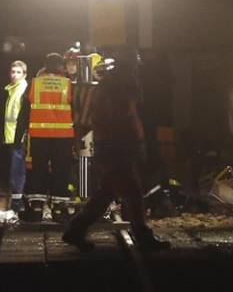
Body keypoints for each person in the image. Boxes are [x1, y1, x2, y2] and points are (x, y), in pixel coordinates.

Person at [62, 49, 170, 251]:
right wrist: (134, 142)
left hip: (115, 145)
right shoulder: (118, 88)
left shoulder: (116, 85)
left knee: (107, 192)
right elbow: (120, 118)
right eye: (135, 65)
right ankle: (143, 237)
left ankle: (76, 230)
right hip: (117, 147)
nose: (137, 69)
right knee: (132, 193)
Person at [18, 52, 75, 219]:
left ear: (45, 66)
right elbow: (76, 111)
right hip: (63, 136)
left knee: (38, 170)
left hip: (39, 135)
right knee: (61, 170)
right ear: (60, 66)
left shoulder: (35, 83)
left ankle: (36, 209)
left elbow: (24, 111)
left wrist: (18, 135)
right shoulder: (68, 84)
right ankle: (59, 209)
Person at [0, 60, 28, 213]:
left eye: (18, 72)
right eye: (13, 72)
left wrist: (21, 136)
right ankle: (18, 204)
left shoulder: (22, 91)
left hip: (19, 138)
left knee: (17, 172)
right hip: (12, 137)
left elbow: (23, 117)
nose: (15, 75)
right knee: (15, 171)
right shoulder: (12, 90)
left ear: (24, 74)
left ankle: (18, 205)